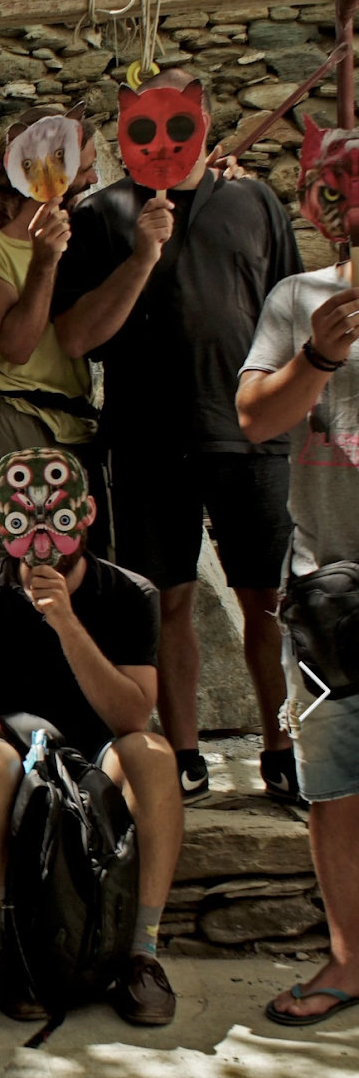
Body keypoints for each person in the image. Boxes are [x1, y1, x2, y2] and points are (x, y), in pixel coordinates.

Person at [52, 69, 303, 802]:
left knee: (268, 600)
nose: (162, 137)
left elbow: (288, 308)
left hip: (251, 433)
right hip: (147, 438)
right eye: (144, 123)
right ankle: (184, 752)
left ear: (204, 118)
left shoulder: (255, 201)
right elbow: (76, 337)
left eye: (178, 119)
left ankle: (282, 748)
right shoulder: (102, 213)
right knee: (168, 602)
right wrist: (141, 255)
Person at [0, 447, 182, 1027]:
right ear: (1, 523)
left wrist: (66, 622)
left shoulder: (130, 594)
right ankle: (17, 951)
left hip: (98, 753)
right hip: (12, 750)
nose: (43, 531)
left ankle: (141, 953)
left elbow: (133, 716)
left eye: (59, 515)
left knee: (152, 755)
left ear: (86, 513)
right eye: (24, 517)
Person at [238, 216, 359, 1025]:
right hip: (327, 584)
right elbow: (253, 417)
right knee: (334, 788)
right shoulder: (299, 296)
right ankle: (349, 960)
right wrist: (317, 356)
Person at [0, 106, 102, 560]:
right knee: (16, 567)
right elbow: (17, 345)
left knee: (75, 567)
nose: (93, 179)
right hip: (14, 419)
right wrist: (44, 261)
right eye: (85, 168)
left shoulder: (77, 234)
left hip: (74, 423)